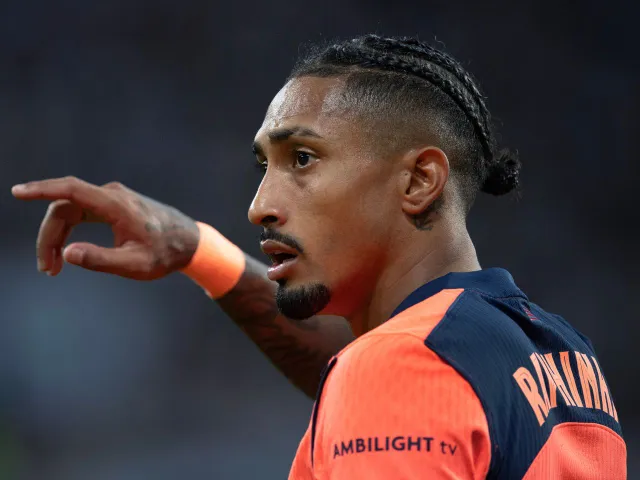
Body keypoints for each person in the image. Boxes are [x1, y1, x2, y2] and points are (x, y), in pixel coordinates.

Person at [12, 35, 626, 479]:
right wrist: (200, 251)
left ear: (419, 181)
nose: (258, 207)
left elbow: (387, 380)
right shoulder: (561, 355)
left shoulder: (398, 369)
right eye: (265, 165)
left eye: (301, 159)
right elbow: (379, 382)